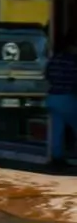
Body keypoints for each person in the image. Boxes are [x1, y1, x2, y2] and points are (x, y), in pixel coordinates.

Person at [46, 34, 77, 165]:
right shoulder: (72, 60)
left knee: (57, 130)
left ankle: (56, 158)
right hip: (66, 97)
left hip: (53, 97)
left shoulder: (54, 59)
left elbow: (47, 74)